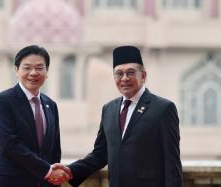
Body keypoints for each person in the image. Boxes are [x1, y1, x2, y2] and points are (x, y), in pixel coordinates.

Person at [55, 46, 183, 187]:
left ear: (143, 76)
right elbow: (101, 154)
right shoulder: (109, 109)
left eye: (130, 73)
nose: (124, 78)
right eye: (119, 74)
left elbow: (172, 163)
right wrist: (71, 170)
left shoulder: (163, 108)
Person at [0, 45, 70, 187]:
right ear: (16, 71)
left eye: (39, 68)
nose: (33, 72)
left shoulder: (51, 105)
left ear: (47, 72)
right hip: (10, 182)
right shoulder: (3, 101)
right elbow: (9, 144)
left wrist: (53, 178)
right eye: (27, 67)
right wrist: (47, 171)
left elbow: (54, 150)